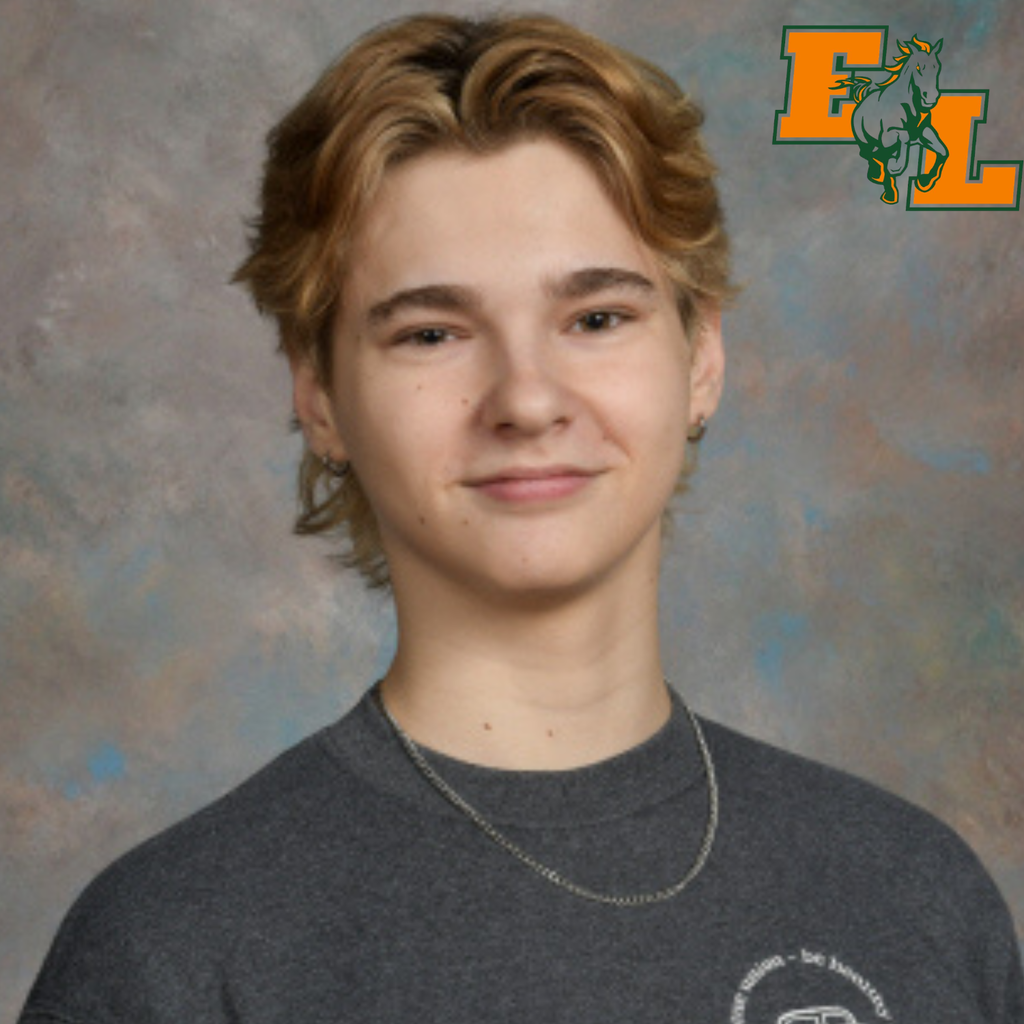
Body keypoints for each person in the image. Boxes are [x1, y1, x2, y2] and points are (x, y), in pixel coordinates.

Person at [19, 13, 1022, 1024]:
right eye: (431, 331)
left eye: (596, 318)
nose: (527, 399)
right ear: (318, 392)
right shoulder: (173, 950)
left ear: (701, 357)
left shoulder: (912, 893)